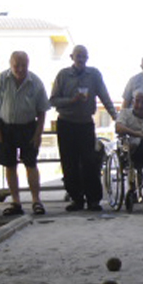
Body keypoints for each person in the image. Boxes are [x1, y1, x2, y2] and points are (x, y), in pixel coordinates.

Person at [50, 45, 118, 212]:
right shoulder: (63, 75)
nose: (81, 59)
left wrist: (117, 118)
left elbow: (104, 96)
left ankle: (93, 199)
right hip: (66, 123)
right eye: (78, 56)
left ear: (87, 58)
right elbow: (52, 100)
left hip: (86, 124)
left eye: (84, 56)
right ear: (72, 57)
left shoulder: (94, 75)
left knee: (90, 162)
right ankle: (76, 199)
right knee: (69, 163)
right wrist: (71, 101)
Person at [0, 51, 51, 216]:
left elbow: (43, 110)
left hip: (28, 127)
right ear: (10, 63)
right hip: (5, 128)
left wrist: (38, 134)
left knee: (31, 164)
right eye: (17, 65)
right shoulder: (1, 80)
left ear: (28, 64)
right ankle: (16, 202)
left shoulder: (35, 82)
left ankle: (36, 201)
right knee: (10, 165)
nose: (20, 69)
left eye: (24, 65)